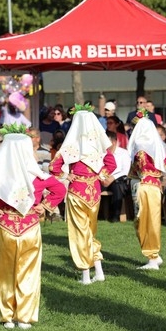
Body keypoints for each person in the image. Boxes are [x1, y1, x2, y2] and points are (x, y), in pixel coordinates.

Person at [0, 125, 66, 329]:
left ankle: (7, 316)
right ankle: (24, 316)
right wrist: (45, 206)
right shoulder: (37, 175)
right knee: (29, 272)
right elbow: (59, 189)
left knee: (6, 272)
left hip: (6, 226)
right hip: (30, 227)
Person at [50, 105, 117, 284]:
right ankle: (99, 271)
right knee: (91, 232)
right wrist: (99, 175)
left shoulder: (71, 145)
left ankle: (86, 275)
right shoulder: (100, 146)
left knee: (80, 233)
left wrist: (66, 175)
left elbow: (53, 167)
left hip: (77, 192)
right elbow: (112, 164)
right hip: (94, 192)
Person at [127, 107, 166, 270]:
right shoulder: (158, 146)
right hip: (155, 186)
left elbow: (138, 168)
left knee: (143, 221)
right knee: (153, 220)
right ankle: (154, 255)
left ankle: (152, 256)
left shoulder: (140, 147)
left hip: (143, 186)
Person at [105, 131, 131, 222]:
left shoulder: (123, 153)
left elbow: (125, 171)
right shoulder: (101, 153)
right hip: (102, 179)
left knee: (118, 185)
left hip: (116, 180)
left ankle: (115, 216)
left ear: (114, 142)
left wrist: (112, 178)